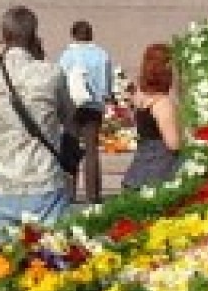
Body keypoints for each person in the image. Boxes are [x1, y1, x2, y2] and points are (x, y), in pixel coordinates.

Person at [0, 4, 75, 229]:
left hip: (1, 183)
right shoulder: (51, 73)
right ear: (34, 36)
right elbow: (70, 119)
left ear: (2, 36)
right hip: (44, 181)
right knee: (52, 258)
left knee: (1, 259)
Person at [57, 20, 114, 204]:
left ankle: (69, 192)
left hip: (72, 106)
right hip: (93, 105)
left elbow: (60, 81)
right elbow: (107, 85)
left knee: (70, 147)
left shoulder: (67, 56)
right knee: (91, 150)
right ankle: (93, 194)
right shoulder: (102, 55)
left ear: (73, 35)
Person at [121, 43, 185, 191]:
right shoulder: (162, 103)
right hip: (159, 170)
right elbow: (173, 144)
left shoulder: (141, 97)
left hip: (140, 166)